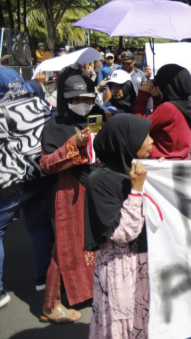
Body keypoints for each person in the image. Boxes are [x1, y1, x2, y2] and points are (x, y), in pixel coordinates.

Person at [40, 74, 105, 323]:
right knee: (64, 248)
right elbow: (46, 164)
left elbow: (98, 149)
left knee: (94, 243)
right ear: (66, 100)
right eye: (77, 99)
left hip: (96, 188)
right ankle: (50, 305)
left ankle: (89, 288)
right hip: (70, 192)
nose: (83, 103)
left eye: (87, 98)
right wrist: (72, 144)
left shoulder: (96, 116)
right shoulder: (54, 126)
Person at [84, 114, 152, 338]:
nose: (152, 141)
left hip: (144, 263)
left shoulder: (136, 171)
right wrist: (136, 190)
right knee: (123, 325)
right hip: (121, 270)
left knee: (144, 321)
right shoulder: (99, 181)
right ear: (127, 140)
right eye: (145, 136)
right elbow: (122, 233)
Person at [0, 69, 55, 308]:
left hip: (12, 181)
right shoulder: (42, 103)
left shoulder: (2, 110)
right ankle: (42, 278)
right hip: (41, 174)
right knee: (38, 224)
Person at [134, 64, 191, 160]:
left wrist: (142, 97)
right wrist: (157, 99)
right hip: (181, 162)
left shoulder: (168, 108)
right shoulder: (186, 105)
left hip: (162, 166)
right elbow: (163, 127)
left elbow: (139, 129)